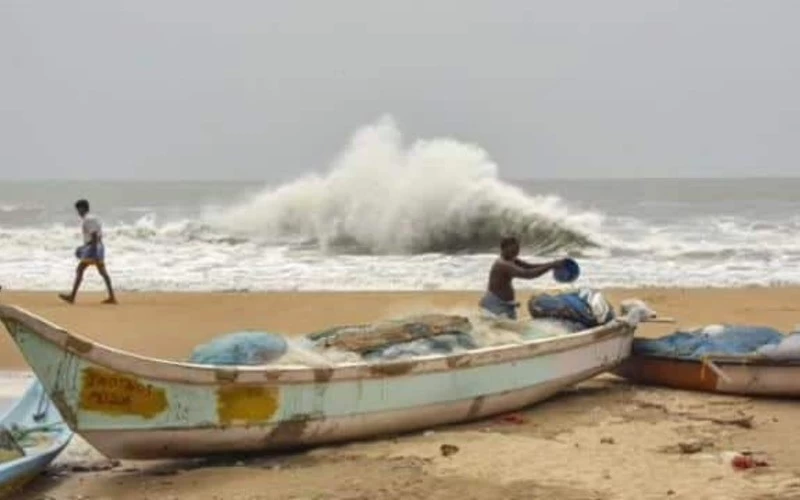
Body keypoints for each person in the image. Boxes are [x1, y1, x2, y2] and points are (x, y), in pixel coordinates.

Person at [479, 236, 566, 320]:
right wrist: (551, 266)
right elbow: (527, 274)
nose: (516, 253)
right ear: (504, 248)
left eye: (517, 249)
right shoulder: (503, 264)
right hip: (495, 305)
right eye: (513, 250)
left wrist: (553, 264)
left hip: (503, 304)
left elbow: (529, 267)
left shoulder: (510, 259)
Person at [58, 199, 117, 305]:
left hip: (93, 247)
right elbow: (95, 235)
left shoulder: (88, 220)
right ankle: (112, 297)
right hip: (97, 246)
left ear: (82, 208)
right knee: (102, 272)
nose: (78, 212)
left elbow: (94, 235)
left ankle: (72, 297)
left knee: (80, 269)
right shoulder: (93, 218)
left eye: (78, 210)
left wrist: (93, 251)